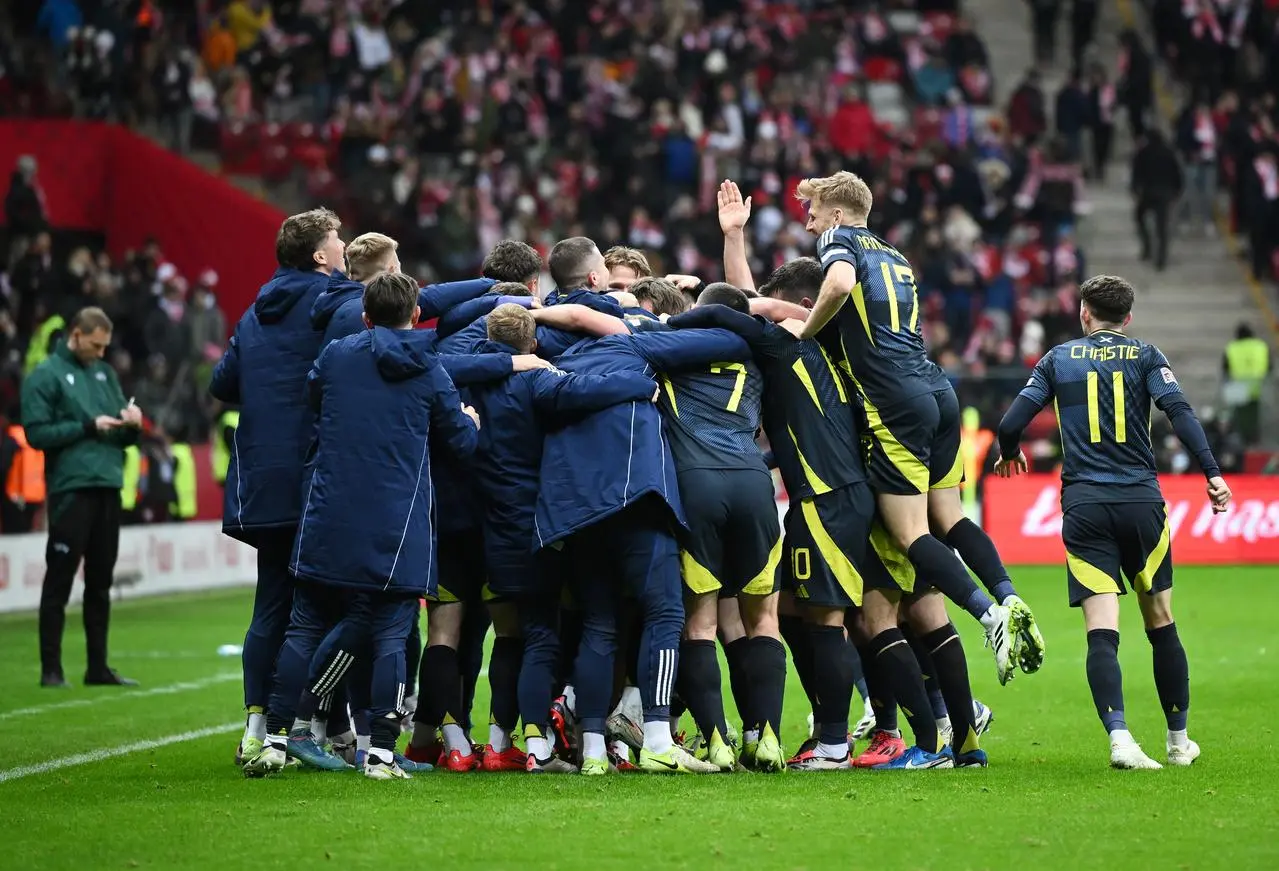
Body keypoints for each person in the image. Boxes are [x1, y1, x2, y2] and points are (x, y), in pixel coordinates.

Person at [796, 171, 1042, 691]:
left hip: (893, 402)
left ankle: (988, 617)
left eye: (814, 212)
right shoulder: (896, 256)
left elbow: (838, 284)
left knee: (911, 533)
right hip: (939, 391)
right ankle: (1008, 595)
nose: (809, 221)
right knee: (950, 516)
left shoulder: (837, 242)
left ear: (838, 216)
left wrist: (806, 330)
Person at [995, 274, 1229, 769]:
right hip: (1141, 501)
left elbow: (1011, 423)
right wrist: (1211, 472)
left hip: (1085, 505)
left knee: (1101, 632)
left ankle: (1121, 739)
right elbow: (1181, 413)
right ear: (1128, 318)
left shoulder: (1057, 360)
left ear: (1084, 314)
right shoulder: (1147, 355)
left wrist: (1009, 452)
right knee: (1161, 622)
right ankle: (1177, 742)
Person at [259, 271, 484, 780]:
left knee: (305, 625)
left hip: (329, 512)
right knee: (390, 632)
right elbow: (462, 444)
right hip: (395, 521)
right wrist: (471, 420)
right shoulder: (429, 368)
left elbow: (314, 397)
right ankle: (380, 750)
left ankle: (272, 738)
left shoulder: (336, 355)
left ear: (365, 315)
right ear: (413, 316)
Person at [466, 304, 660, 773]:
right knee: (546, 637)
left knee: (518, 635)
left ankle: (508, 742)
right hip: (538, 523)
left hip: (493, 525)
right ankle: (541, 750)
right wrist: (643, 384)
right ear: (531, 345)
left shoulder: (471, 380)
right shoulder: (536, 380)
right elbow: (587, 390)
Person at [209, 207, 346, 770]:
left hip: (260, 480)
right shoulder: (332, 303)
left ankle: (257, 728)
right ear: (319, 255)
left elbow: (222, 383)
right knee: (335, 608)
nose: (343, 249)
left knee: (270, 605)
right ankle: (317, 729)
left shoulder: (252, 313)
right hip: (315, 477)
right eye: (337, 241)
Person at [21, 307, 142, 688]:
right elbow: (37, 434)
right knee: (59, 578)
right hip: (71, 487)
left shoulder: (105, 374)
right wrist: (88, 426)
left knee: (101, 580)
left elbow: (121, 433)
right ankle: (51, 670)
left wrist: (131, 425)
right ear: (75, 334)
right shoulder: (44, 375)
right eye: (96, 345)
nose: (101, 353)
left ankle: (97, 667)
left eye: (105, 346)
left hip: (108, 483)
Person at [1130, 130, 1183, 271]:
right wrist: (1177, 191)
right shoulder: (1169, 153)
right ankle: (1161, 257)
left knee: (1139, 217)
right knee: (1162, 227)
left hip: (1148, 192)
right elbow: (1177, 172)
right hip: (1165, 193)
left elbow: (1136, 172)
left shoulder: (1143, 153)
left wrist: (1135, 189)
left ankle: (1147, 247)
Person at [1221, 323, 1270, 445]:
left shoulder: (1232, 347)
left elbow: (1225, 368)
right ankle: (1255, 440)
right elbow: (1270, 366)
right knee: (1255, 417)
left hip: (1238, 388)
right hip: (1258, 387)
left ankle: (1242, 441)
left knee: (1240, 417)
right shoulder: (1260, 346)